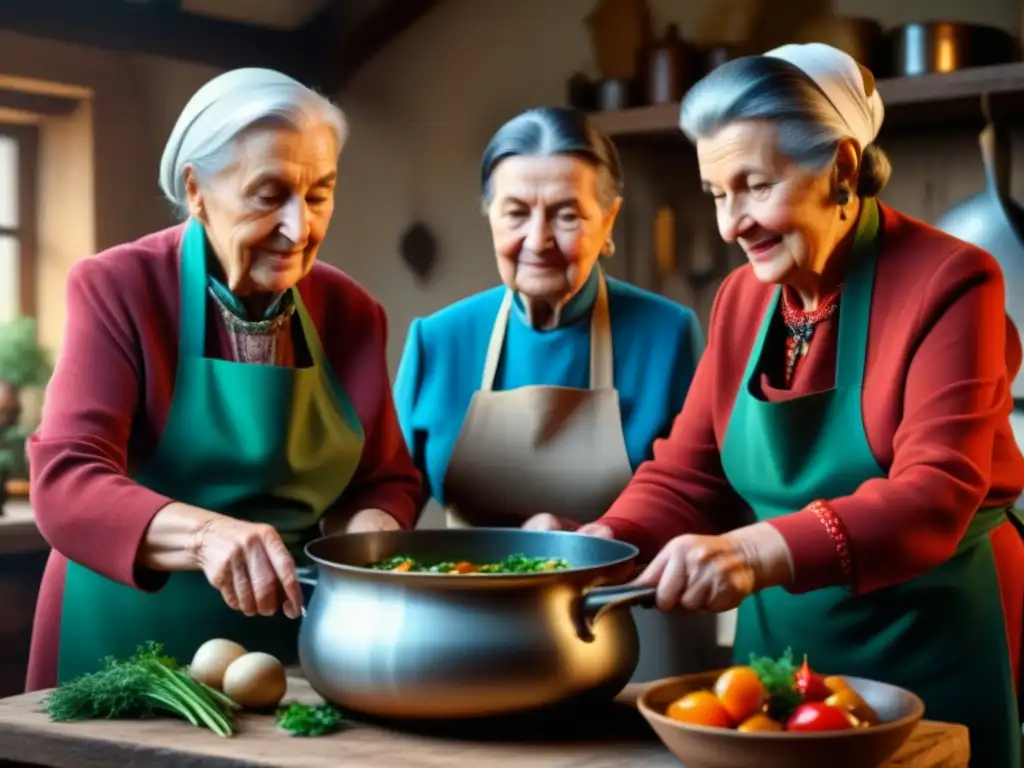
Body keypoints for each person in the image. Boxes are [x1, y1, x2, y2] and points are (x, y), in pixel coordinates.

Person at [525, 44, 1024, 764]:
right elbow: (689, 476)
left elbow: (935, 494)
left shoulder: (952, 282)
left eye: (754, 186)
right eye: (716, 194)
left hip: (930, 640)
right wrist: (598, 546)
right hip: (773, 670)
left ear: (842, 170)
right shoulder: (742, 298)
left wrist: (754, 551)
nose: (732, 224)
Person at [25, 68, 421, 691]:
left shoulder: (352, 312)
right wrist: (208, 535)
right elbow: (66, 481)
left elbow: (385, 478)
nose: (300, 227)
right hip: (123, 645)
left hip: (291, 654)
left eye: (319, 194)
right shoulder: (119, 289)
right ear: (197, 190)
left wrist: (371, 530)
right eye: (270, 195)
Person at [394, 106, 711, 682]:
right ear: (490, 214)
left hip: (633, 634)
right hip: (471, 637)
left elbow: (707, 495)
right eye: (516, 213)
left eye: (567, 215)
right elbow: (389, 499)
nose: (537, 241)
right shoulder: (438, 340)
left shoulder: (669, 334)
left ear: (609, 219)